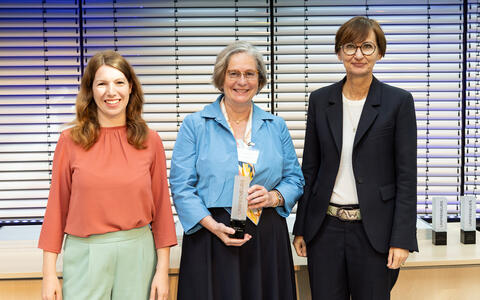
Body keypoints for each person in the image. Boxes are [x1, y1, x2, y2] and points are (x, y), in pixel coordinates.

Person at [293, 16, 418, 300]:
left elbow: (407, 177)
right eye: (349, 46)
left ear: (380, 53)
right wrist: (300, 227)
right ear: (339, 52)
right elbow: (310, 169)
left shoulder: (398, 102)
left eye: (367, 47)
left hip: (375, 232)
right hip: (325, 230)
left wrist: (402, 239)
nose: (358, 54)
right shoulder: (321, 100)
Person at [170, 41, 304, 300]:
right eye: (234, 73)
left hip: (266, 237)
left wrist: (273, 197)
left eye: (249, 74)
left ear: (259, 80)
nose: (241, 81)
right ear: (221, 78)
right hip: (210, 236)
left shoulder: (276, 126)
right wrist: (213, 226)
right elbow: (181, 187)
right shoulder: (195, 125)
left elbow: (294, 180)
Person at [38, 50, 177, 300]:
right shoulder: (69, 142)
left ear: (131, 88)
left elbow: (162, 209)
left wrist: (162, 270)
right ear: (90, 91)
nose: (111, 92)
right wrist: (49, 274)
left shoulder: (151, 141)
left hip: (139, 253)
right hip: (85, 254)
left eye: (119, 82)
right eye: (102, 83)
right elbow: (56, 209)